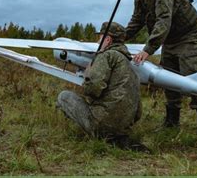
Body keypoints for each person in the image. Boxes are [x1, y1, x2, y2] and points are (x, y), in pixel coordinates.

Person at [115, 0, 197, 136]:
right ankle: (172, 122)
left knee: (193, 75)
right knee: (169, 75)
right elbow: (137, 21)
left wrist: (148, 49)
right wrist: (117, 38)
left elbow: (163, 21)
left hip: (189, 36)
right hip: (170, 38)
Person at [56, 21, 147, 151]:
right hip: (124, 128)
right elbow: (138, 113)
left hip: (101, 124)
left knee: (64, 96)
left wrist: (88, 76)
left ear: (108, 39)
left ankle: (99, 134)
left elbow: (93, 89)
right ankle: (117, 138)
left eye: (100, 37)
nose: (98, 41)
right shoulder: (129, 64)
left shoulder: (106, 55)